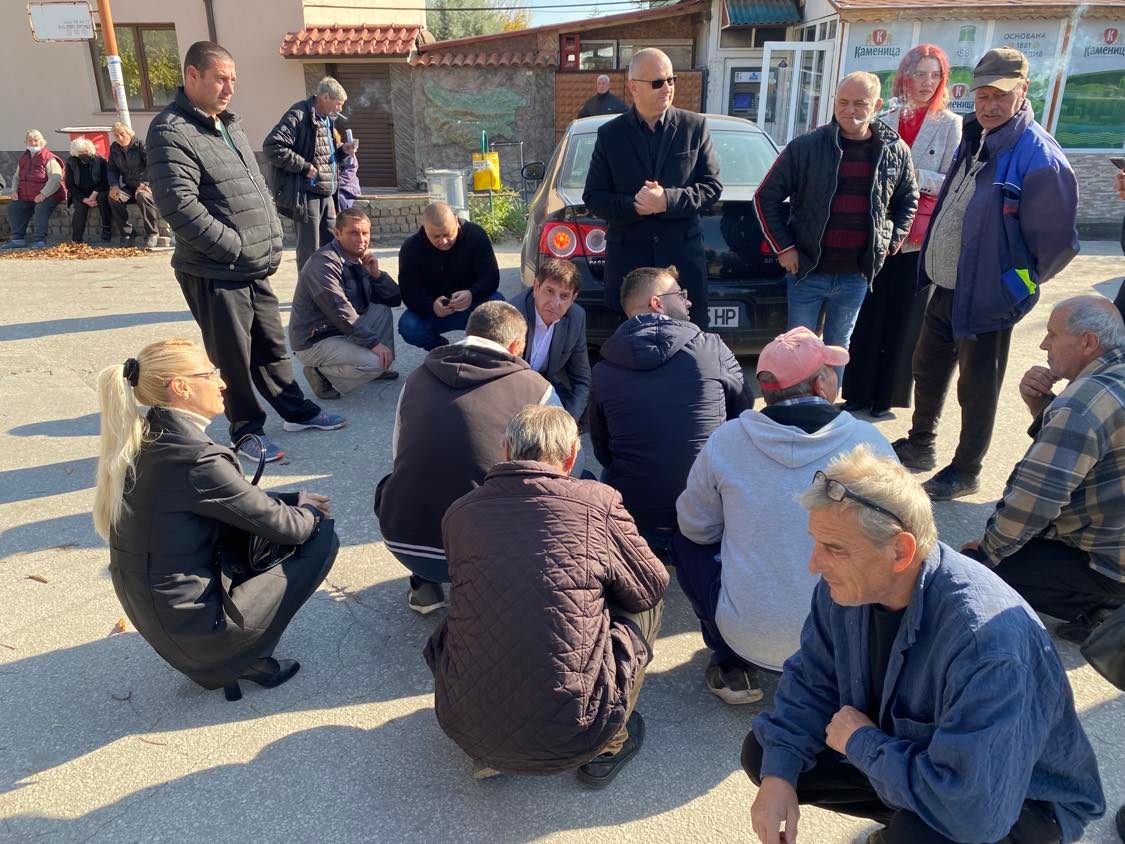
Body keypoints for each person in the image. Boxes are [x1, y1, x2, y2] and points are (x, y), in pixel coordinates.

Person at [743, 444, 1105, 844]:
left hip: (1018, 799)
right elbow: (812, 681)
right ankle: (904, 809)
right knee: (766, 754)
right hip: (917, 759)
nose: (814, 564)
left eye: (834, 549)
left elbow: (973, 814)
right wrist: (778, 775)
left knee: (918, 835)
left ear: (900, 551)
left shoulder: (984, 646)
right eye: (816, 542)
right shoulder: (845, 591)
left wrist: (863, 743)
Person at [426, 405, 667, 786]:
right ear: (571, 456)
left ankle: (491, 748)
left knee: (481, 606)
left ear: (506, 450)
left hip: (463, 727)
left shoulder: (460, 512)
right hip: (578, 732)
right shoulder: (597, 502)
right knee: (647, 604)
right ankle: (611, 743)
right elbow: (650, 585)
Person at [92, 339, 339, 702]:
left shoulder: (148, 437)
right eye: (209, 374)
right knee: (319, 536)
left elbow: (229, 500)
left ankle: (230, 651)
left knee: (276, 525)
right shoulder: (196, 459)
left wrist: (292, 500)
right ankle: (243, 658)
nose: (222, 382)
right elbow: (290, 528)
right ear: (181, 387)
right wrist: (310, 512)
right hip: (200, 635)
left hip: (167, 622)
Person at [893, 47, 1080, 501]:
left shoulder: (1040, 158)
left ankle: (966, 470)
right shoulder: (976, 135)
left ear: (1023, 90)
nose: (990, 105)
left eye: (1001, 95)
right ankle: (920, 445)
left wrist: (1011, 288)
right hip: (946, 287)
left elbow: (1057, 247)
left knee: (976, 390)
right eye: (983, 95)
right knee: (927, 370)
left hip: (987, 298)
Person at [147, 41, 345, 464]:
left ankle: (296, 412)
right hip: (216, 269)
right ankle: (246, 430)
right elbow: (179, 207)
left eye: (233, 79)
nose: (229, 88)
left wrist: (266, 239)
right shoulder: (170, 131)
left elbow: (255, 186)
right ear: (192, 75)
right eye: (220, 79)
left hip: (253, 264)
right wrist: (233, 247)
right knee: (232, 358)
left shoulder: (228, 125)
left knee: (271, 345)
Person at [674, 328, 895, 705]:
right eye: (830, 370)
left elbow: (696, 527)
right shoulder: (869, 443)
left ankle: (729, 661)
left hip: (746, 636)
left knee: (685, 542)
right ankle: (858, 671)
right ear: (821, 384)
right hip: (841, 640)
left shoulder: (726, 440)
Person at [375, 301, 558, 613]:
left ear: (468, 333)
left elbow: (398, 455)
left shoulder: (416, 379)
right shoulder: (537, 390)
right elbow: (560, 472)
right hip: (483, 553)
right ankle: (500, 590)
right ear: (516, 346)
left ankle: (424, 584)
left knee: (405, 476)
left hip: (404, 540)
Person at [961, 296, 1125, 644]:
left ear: (1088, 342)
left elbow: (1035, 499)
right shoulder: (1111, 381)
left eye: (1053, 334)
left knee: (972, 569)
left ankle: (1109, 609)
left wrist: (987, 553)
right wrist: (1041, 405)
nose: (1043, 344)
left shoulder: (1083, 403)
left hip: (1111, 564)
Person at [754, 72, 918, 379]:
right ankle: (798, 407)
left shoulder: (895, 151)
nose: (849, 110)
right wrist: (784, 247)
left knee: (838, 350)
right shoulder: (806, 147)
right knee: (796, 352)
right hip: (807, 271)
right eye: (843, 102)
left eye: (860, 103)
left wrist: (890, 241)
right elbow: (766, 197)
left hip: (855, 276)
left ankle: (826, 408)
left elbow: (908, 200)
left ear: (877, 105)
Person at [589, 266, 751, 556]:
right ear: (657, 302)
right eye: (680, 294)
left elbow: (602, 448)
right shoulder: (711, 349)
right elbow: (744, 414)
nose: (689, 301)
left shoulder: (603, 370)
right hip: (705, 517)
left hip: (636, 520)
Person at [842, 46, 962, 417]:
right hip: (877, 233)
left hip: (916, 238)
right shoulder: (886, 118)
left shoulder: (949, 124)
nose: (927, 82)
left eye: (935, 75)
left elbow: (951, 181)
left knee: (904, 320)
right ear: (905, 77)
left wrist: (910, 175)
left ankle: (886, 397)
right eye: (920, 74)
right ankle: (857, 392)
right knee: (868, 316)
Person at [583, 48, 722, 329]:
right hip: (630, 272)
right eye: (658, 82)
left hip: (682, 268)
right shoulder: (610, 135)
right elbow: (594, 196)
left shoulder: (693, 127)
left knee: (688, 349)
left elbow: (712, 187)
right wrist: (635, 206)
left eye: (671, 80)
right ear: (634, 87)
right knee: (631, 349)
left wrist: (667, 201)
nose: (667, 88)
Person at [288, 206, 401, 399]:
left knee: (381, 311)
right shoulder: (323, 263)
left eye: (365, 233)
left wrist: (376, 276)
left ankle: (378, 368)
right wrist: (373, 344)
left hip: (339, 330)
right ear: (337, 234)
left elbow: (394, 299)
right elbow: (339, 310)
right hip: (315, 339)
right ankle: (321, 373)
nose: (361, 239)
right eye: (353, 233)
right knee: (374, 363)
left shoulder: (358, 260)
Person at [263, 77, 356, 269]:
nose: (340, 109)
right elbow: (272, 146)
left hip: (328, 195)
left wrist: (342, 152)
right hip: (307, 195)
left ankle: (330, 283)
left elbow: (325, 155)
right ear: (325, 97)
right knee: (310, 252)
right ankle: (308, 287)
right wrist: (304, 166)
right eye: (338, 104)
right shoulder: (299, 115)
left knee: (332, 247)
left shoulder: (327, 120)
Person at [396, 201, 503, 351]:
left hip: (472, 304)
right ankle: (443, 350)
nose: (443, 241)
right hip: (435, 310)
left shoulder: (475, 235)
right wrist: (431, 306)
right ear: (425, 229)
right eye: (436, 236)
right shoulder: (411, 248)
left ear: (457, 222)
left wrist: (472, 293)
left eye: (447, 234)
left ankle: (485, 353)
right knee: (408, 326)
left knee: (498, 306)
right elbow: (408, 292)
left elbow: (491, 277)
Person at [507, 257, 591, 420]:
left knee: (591, 408)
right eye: (550, 291)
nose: (555, 303)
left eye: (564, 296)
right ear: (536, 287)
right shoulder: (513, 313)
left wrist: (569, 422)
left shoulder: (576, 317)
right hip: (512, 385)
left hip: (544, 383)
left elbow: (582, 378)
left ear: (573, 299)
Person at [2, 130, 65, 250]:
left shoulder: (49, 158)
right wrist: (14, 191)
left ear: (42, 142)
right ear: (26, 142)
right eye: (29, 140)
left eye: (35, 140)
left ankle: (39, 240)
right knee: (14, 207)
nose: (33, 143)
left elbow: (56, 178)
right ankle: (18, 239)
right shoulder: (24, 157)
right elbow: (16, 177)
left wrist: (43, 194)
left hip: (50, 195)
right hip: (28, 195)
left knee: (41, 208)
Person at [107, 122, 160, 249]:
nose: (120, 138)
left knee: (143, 197)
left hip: (147, 186)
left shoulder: (141, 145)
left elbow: (152, 164)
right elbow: (112, 169)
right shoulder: (115, 148)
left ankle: (152, 233)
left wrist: (144, 183)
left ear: (129, 133)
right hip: (130, 187)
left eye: (122, 134)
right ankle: (127, 234)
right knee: (114, 198)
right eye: (116, 135)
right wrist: (114, 185)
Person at [63, 137, 111, 244]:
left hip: (98, 191)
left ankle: (106, 229)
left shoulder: (100, 161)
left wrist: (94, 193)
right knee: (80, 208)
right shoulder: (71, 162)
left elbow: (105, 181)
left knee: (103, 198)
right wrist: (84, 199)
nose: (84, 154)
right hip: (79, 193)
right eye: (81, 152)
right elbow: (70, 184)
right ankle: (76, 239)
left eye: (86, 151)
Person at [334, 128, 361, 211]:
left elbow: (348, 174)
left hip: (347, 188)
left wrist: (334, 183)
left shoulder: (346, 150)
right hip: (333, 186)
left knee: (339, 199)